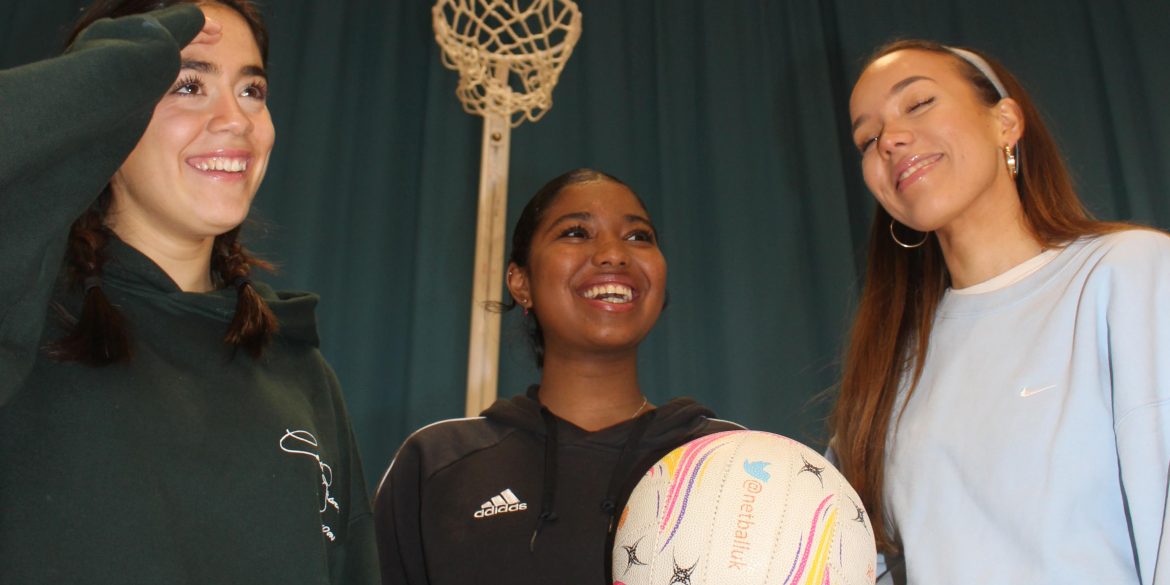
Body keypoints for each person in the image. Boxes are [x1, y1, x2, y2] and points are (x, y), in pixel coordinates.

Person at [0, 2, 377, 583]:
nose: (237, 119)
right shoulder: (25, 311)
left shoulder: (298, 368)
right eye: (187, 85)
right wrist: (128, 53)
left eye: (252, 90)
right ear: (106, 111)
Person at [830, 39, 1170, 584]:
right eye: (867, 139)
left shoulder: (1129, 273)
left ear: (1005, 121)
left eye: (918, 104)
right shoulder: (887, 372)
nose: (890, 140)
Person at [373, 168, 742, 584]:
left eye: (638, 237)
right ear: (520, 281)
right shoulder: (436, 463)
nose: (613, 255)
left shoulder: (732, 462)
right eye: (576, 233)